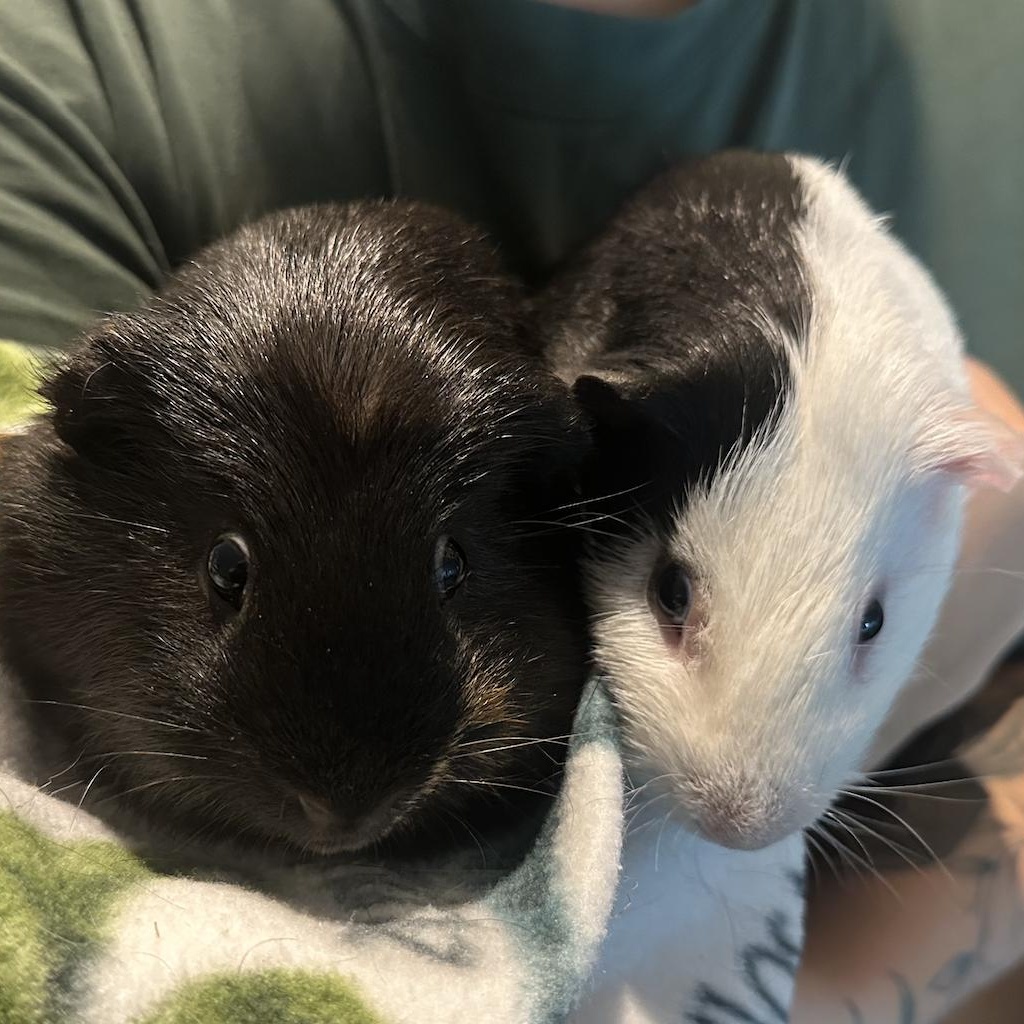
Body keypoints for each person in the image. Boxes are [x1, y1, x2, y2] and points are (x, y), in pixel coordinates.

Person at [1, 1, 1022, 1019]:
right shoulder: (84, 67)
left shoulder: (864, 88)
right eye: (231, 575)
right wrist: (840, 972)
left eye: (451, 569)